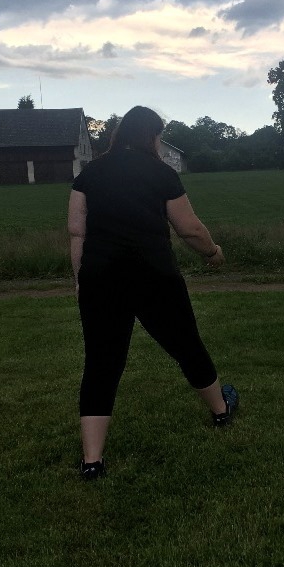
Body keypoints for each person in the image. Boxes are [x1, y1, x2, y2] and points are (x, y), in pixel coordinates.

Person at [67, 105, 238, 481]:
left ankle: (92, 461)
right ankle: (221, 411)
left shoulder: (89, 173)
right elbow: (189, 228)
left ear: (119, 134)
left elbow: (77, 231)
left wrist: (80, 279)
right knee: (187, 346)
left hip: (101, 278)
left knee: (101, 363)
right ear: (152, 136)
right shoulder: (162, 173)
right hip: (155, 277)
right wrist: (213, 253)